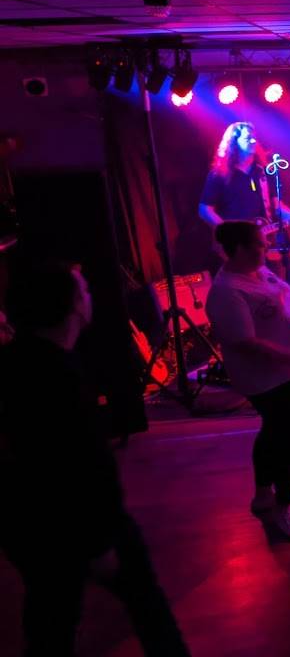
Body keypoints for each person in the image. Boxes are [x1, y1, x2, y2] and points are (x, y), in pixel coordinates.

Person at [0, 258, 190, 656]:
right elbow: (78, 465)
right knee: (147, 606)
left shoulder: (19, 361)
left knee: (50, 617)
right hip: (80, 523)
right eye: (83, 289)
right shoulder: (58, 375)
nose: (91, 295)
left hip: (25, 523)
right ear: (71, 305)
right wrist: (99, 541)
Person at [205, 221, 290, 541]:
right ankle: (282, 505)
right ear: (238, 249)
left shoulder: (257, 271)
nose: (265, 247)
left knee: (273, 430)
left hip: (284, 369)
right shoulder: (228, 291)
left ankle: (264, 494)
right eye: (258, 244)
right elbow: (248, 343)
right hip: (266, 376)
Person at [199, 121, 290, 228]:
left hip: (266, 233)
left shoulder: (265, 171)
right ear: (234, 142)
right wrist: (228, 231)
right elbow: (205, 210)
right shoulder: (220, 174)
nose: (253, 141)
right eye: (247, 138)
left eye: (254, 138)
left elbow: (277, 207)